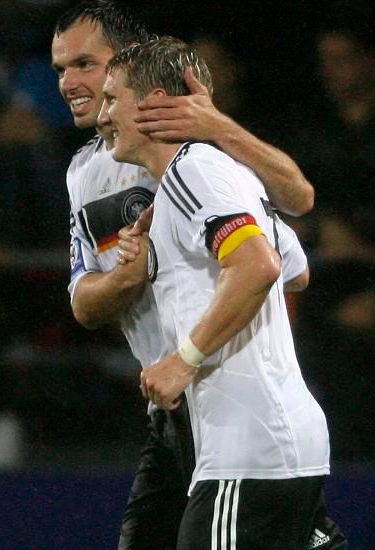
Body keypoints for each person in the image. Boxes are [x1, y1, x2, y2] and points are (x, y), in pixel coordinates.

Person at [52, 2, 315, 547]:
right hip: (177, 411)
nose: (69, 83)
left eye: (84, 65)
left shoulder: (197, 157)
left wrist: (222, 128)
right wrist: (134, 273)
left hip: (230, 403)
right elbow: (83, 303)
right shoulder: (85, 173)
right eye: (59, 70)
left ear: (126, 67)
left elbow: (292, 218)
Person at [102, 36, 348, 549]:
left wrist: (183, 359)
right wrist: (177, 252)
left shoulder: (194, 170)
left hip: (246, 448)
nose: (101, 116)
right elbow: (294, 270)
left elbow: (259, 266)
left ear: (153, 104)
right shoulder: (225, 177)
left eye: (111, 99)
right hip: (279, 444)